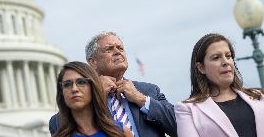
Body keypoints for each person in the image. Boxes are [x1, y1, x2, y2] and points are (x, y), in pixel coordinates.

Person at [49, 31, 177, 137]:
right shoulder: (82, 99)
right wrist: (96, 95)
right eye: (109, 49)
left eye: (120, 48)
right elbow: (58, 126)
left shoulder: (149, 91)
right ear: (93, 62)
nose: (118, 52)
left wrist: (141, 99)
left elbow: (179, 125)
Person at [175, 33, 264, 137]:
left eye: (228, 56)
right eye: (216, 57)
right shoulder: (188, 110)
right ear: (201, 68)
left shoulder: (260, 96)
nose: (225, 62)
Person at [53, 61, 133, 137]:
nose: (74, 89)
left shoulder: (120, 132)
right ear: (62, 92)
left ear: (93, 87)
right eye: (67, 84)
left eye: (81, 82)